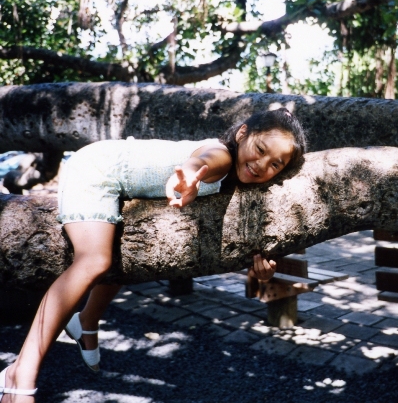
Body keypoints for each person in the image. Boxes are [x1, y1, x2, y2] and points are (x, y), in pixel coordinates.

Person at [0, 108, 307, 402]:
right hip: (99, 168)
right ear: (242, 134)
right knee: (93, 259)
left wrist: (261, 268)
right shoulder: (222, 156)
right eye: (261, 149)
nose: (262, 164)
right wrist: (189, 175)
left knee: (127, 253)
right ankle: (20, 371)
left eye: (275, 164)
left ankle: (87, 320)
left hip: (124, 182)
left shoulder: (243, 185)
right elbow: (204, 161)